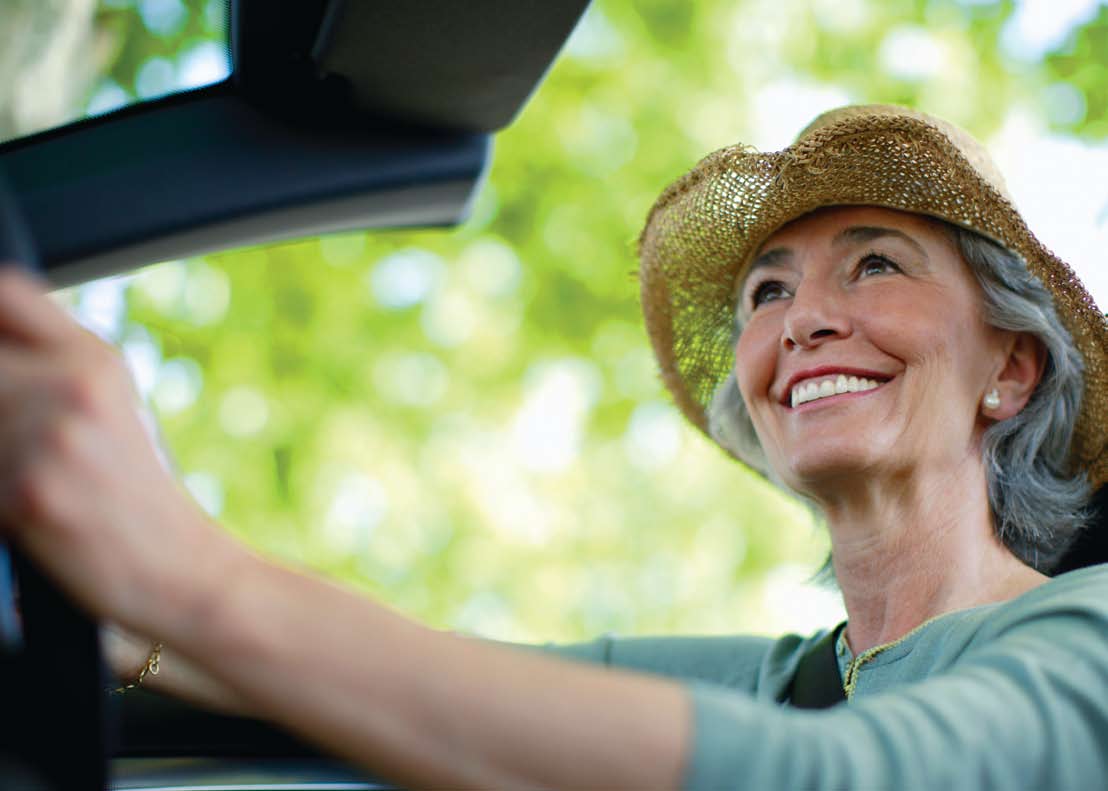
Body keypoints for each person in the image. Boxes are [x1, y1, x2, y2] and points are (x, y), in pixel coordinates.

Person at [2, 103, 1107, 789]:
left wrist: (186, 573)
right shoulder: (784, 678)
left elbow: (826, 780)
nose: (798, 318)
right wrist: (103, 614)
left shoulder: (1084, 632)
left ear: (1008, 369)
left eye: (875, 264)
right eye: (767, 291)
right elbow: (432, 680)